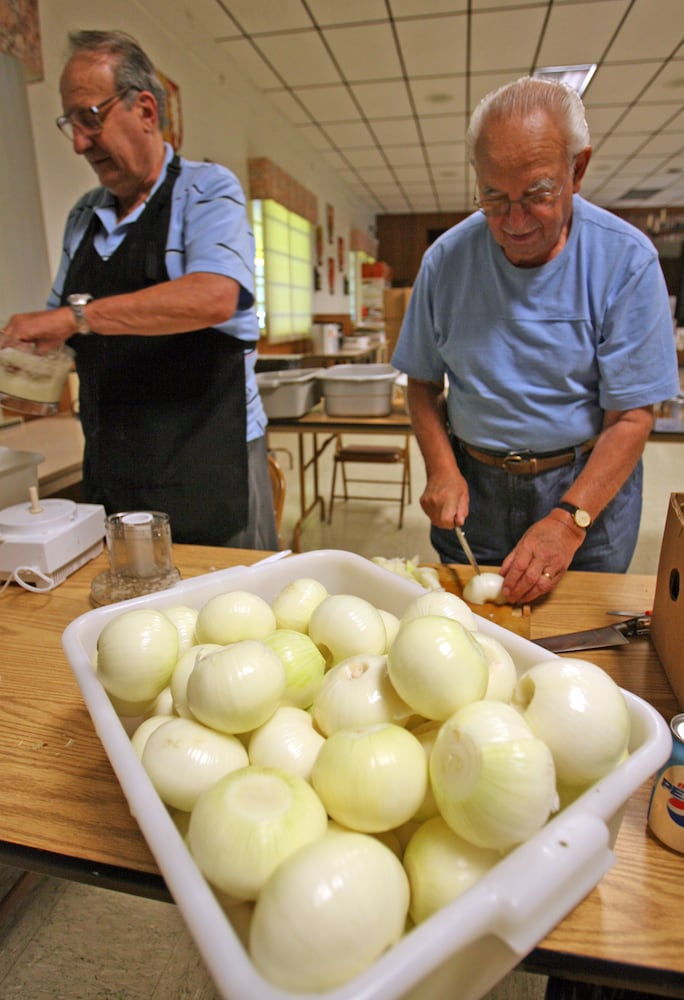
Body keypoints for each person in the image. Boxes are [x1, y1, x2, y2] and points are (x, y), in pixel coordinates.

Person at [392, 76, 679, 605]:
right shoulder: (446, 262)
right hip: (473, 484)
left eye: (538, 194)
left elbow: (632, 417)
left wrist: (570, 520)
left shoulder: (626, 261)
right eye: (493, 197)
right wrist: (441, 466)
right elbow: (423, 383)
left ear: (578, 169)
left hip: (584, 486)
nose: (514, 221)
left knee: (573, 636)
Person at [3, 29, 278, 550]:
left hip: (207, 457)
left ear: (146, 110)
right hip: (114, 462)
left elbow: (217, 294)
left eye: (90, 117)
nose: (80, 143)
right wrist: (26, 373)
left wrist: (75, 318)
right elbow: (57, 329)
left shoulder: (207, 189)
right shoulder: (83, 215)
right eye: (70, 124)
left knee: (230, 612)